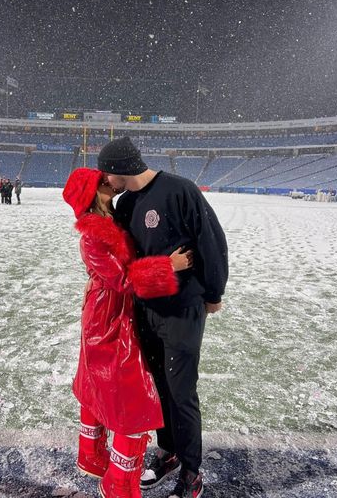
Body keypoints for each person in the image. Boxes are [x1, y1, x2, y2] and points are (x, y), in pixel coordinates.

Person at [98, 137, 229, 498]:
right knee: (157, 389)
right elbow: (124, 262)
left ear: (123, 167)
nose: (106, 180)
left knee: (181, 392)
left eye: (108, 172)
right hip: (145, 312)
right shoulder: (125, 204)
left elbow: (212, 242)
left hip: (181, 311)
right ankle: (168, 451)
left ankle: (192, 471)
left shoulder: (179, 190)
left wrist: (214, 292)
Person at [62, 168, 193, 498]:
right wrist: (169, 266)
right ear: (95, 193)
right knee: (131, 399)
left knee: (103, 385)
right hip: (107, 320)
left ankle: (92, 456)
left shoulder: (110, 221)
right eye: (103, 181)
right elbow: (123, 280)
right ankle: (118, 482)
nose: (110, 181)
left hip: (112, 314)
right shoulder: (92, 235)